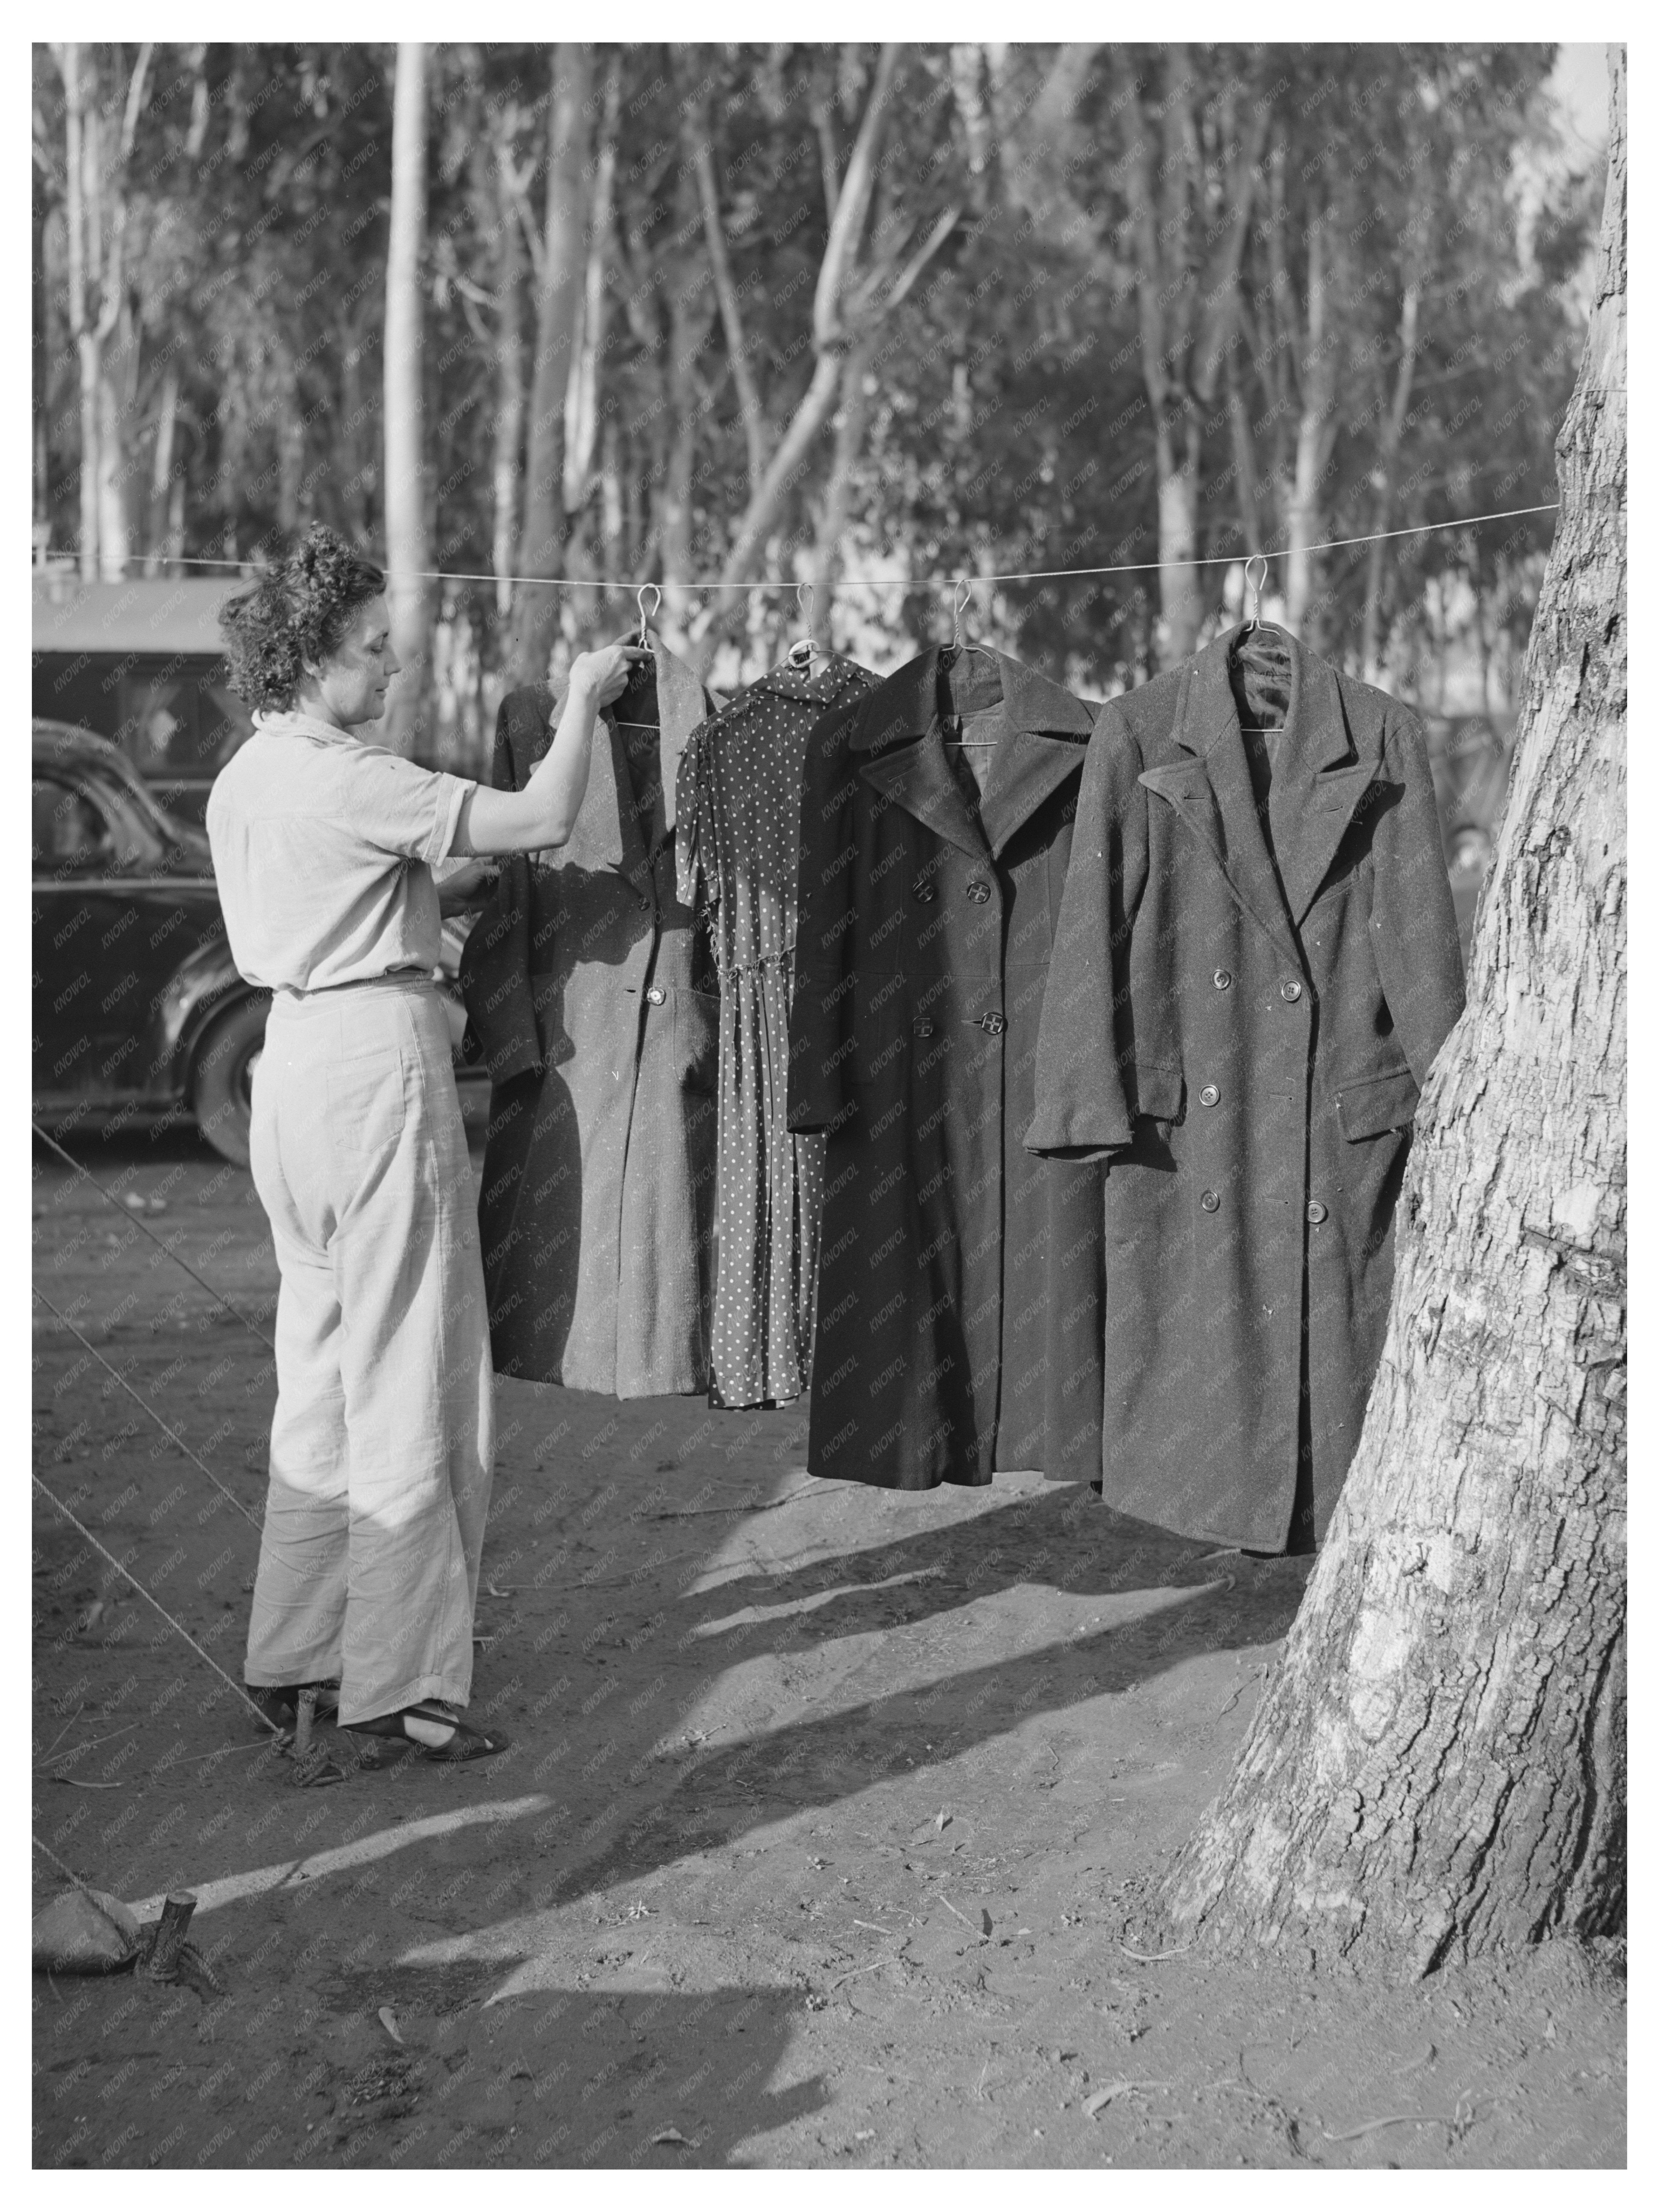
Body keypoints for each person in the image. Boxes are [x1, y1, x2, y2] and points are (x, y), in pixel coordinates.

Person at [210, 522, 643, 1764]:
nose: (390, 669)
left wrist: (429, 892)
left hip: (286, 1064)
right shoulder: (356, 775)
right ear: (307, 661)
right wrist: (579, 698)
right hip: (374, 1068)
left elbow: (339, 885)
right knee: (415, 1376)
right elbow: (544, 815)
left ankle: (295, 1655)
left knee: (322, 1370)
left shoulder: (249, 779)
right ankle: (404, 1687)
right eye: (370, 650)